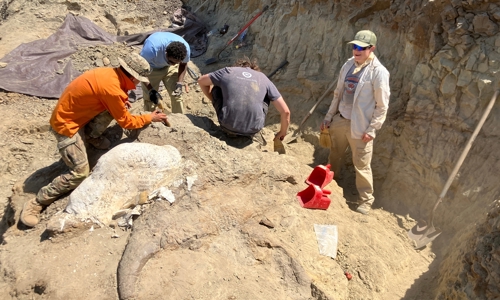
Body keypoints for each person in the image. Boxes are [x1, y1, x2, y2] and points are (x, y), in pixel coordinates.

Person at [19, 52, 168, 227]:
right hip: (66, 125)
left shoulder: (109, 74)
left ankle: (90, 136)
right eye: (138, 79)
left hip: (78, 115)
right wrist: (149, 118)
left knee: (115, 109)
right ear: (132, 76)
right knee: (80, 173)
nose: (138, 83)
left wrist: (119, 104)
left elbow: (109, 98)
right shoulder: (112, 89)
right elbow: (127, 122)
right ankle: (37, 203)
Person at [320, 30, 390, 215]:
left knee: (361, 164)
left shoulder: (379, 72)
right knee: (334, 154)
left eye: (361, 47)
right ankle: (331, 184)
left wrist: (372, 129)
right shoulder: (348, 65)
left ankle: (365, 200)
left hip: (361, 128)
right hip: (341, 120)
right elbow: (338, 93)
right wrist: (329, 117)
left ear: (372, 48)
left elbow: (382, 106)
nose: (356, 50)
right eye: (354, 46)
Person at [197, 57, 290, 144]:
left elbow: (201, 80)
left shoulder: (228, 71)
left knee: (217, 87)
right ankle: (251, 125)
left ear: (237, 66)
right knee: (266, 96)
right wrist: (282, 132)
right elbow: (285, 112)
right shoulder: (263, 78)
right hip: (253, 129)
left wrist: (214, 100)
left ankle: (230, 125)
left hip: (227, 124)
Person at [140, 32, 190, 113]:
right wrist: (151, 90)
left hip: (168, 69)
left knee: (177, 95)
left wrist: (179, 83)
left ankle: (179, 120)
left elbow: (183, 65)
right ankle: (151, 120)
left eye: (176, 63)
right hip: (151, 69)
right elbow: (141, 69)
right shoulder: (151, 49)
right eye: (171, 61)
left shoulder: (185, 50)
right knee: (151, 99)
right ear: (166, 52)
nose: (173, 64)